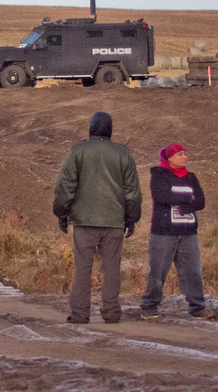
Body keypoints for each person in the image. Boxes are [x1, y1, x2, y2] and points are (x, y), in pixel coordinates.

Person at [53, 111, 142, 324]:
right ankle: (111, 313)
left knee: (82, 268)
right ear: (110, 129)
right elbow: (132, 192)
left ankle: (80, 314)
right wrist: (131, 219)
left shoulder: (78, 150)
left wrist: (62, 213)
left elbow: (66, 186)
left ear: (90, 127)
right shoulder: (123, 153)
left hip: (84, 221)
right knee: (111, 268)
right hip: (114, 222)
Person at [140, 143, 208, 319]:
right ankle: (149, 308)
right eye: (179, 154)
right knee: (158, 271)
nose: (184, 157)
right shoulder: (159, 174)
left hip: (188, 232)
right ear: (169, 157)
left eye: (185, 153)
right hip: (163, 232)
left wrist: (180, 203)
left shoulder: (191, 177)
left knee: (193, 271)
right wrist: (188, 198)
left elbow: (200, 202)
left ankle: (198, 308)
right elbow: (162, 196)